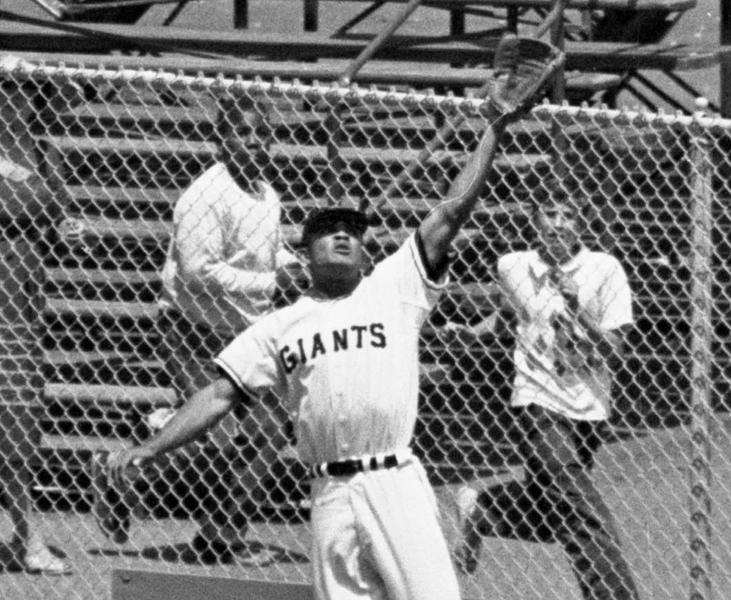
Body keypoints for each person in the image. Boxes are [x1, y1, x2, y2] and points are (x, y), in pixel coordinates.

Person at [100, 32, 541, 599]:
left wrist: (494, 130)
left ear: (367, 252)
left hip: (395, 480)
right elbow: (217, 394)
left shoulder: (394, 287)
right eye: (328, 232)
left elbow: (449, 212)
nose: (341, 237)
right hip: (329, 493)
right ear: (304, 254)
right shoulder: (280, 324)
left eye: (353, 233)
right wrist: (152, 447)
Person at [93, 94, 307, 566]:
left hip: (244, 331)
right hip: (192, 328)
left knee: (270, 430)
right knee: (219, 433)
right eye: (243, 132)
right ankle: (127, 472)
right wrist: (272, 282)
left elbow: (268, 254)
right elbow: (195, 272)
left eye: (262, 133)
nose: (254, 142)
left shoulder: (266, 194)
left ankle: (219, 533)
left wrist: (297, 266)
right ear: (220, 139)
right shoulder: (205, 196)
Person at [450, 183, 640, 599]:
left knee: (550, 514)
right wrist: (471, 332)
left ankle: (482, 508)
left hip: (588, 407)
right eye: (550, 213)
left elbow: (617, 351)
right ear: (535, 220)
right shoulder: (512, 266)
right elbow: (512, 314)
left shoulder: (605, 270)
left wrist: (579, 313)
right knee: (583, 512)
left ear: (581, 223)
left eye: (568, 215)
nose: (558, 223)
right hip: (536, 401)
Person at [0, 150, 71, 575]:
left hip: (17, 309)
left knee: (18, 423)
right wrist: (36, 191)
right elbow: (26, 203)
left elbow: (50, 211)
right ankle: (30, 537)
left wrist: (65, 229)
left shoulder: (36, 146)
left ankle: (28, 536)